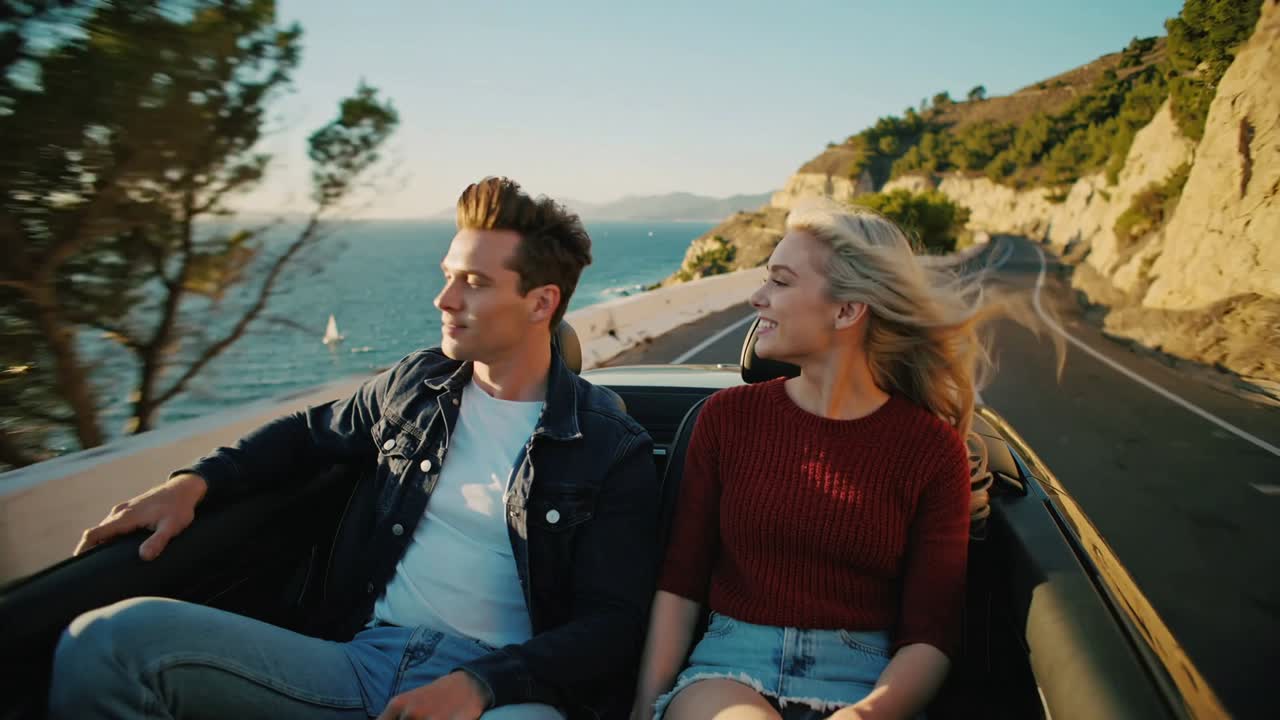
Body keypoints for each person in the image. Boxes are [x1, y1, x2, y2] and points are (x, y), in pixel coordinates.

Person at [50, 177, 660, 720]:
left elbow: (613, 624)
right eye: (448, 276)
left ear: (541, 302)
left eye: (473, 283)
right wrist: (194, 484)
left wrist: (481, 684)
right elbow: (307, 435)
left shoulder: (609, 445)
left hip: (503, 694)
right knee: (109, 643)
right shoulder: (415, 385)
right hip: (358, 663)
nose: (444, 300)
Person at [630, 203, 1023, 720]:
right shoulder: (726, 418)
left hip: (868, 684)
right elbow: (679, 588)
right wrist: (642, 708)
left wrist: (863, 716)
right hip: (727, 672)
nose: (757, 297)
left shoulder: (932, 450)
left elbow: (930, 635)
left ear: (846, 311)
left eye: (780, 281)